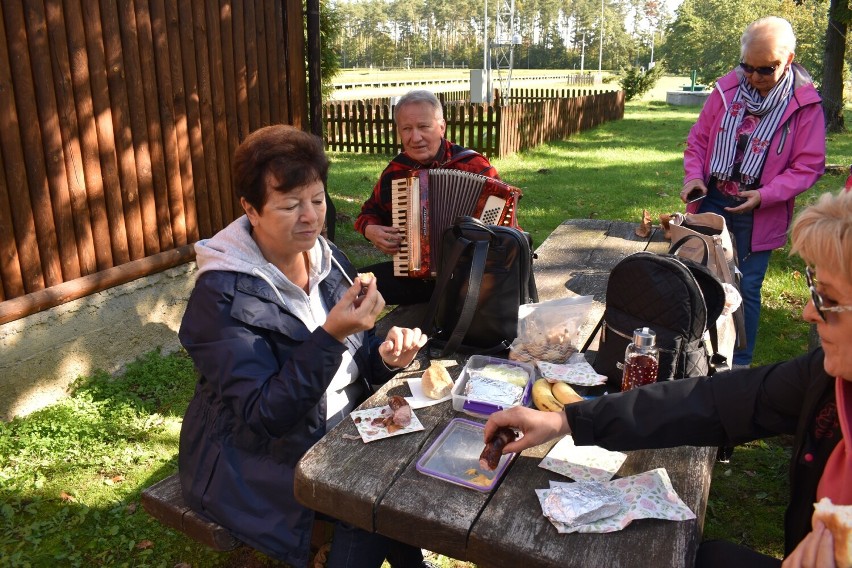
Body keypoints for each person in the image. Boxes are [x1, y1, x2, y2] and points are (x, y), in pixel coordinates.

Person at [485, 188, 852, 567]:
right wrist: (564, 419)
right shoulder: (825, 377)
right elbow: (710, 402)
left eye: (826, 298)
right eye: (813, 288)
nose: (809, 311)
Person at [178, 125, 430, 568]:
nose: (311, 216)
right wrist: (330, 335)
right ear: (250, 209)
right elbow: (265, 415)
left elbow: (358, 355)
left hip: (339, 428)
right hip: (253, 459)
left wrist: (386, 357)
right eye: (290, 205)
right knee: (360, 495)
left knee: (404, 464)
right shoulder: (220, 296)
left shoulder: (327, 259)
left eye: (316, 199)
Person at [679, 16, 825, 368]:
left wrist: (766, 194)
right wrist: (693, 177)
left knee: (746, 289)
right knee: (699, 278)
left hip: (760, 212)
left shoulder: (805, 105)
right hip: (713, 198)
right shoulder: (726, 90)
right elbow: (699, 140)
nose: (755, 77)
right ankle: (694, 353)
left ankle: (739, 364)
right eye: (748, 67)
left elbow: (808, 166)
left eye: (766, 69)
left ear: (788, 60)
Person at [354, 89, 500, 305]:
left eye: (423, 127)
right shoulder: (395, 172)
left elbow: (505, 234)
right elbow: (369, 213)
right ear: (399, 132)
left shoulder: (475, 167)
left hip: (471, 280)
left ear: (441, 127)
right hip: (415, 276)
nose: (415, 138)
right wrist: (370, 230)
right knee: (348, 287)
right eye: (407, 129)